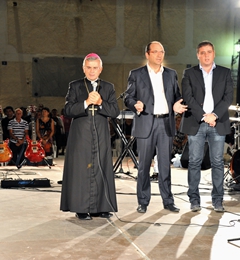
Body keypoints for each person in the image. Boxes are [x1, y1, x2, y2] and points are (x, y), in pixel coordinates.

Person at [124, 41, 187, 213]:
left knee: (165, 165)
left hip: (165, 123)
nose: (159, 55)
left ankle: (168, 201)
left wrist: (176, 105)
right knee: (144, 165)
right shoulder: (136, 74)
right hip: (145, 122)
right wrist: (134, 104)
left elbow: (177, 96)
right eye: (155, 52)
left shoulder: (171, 74)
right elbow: (128, 97)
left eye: (162, 52)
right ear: (147, 54)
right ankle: (143, 201)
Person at [60, 53, 120, 220]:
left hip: (100, 132)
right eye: (88, 67)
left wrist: (101, 103)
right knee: (81, 170)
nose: (92, 71)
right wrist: (86, 102)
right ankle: (81, 208)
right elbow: (68, 110)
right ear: (83, 68)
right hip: (80, 134)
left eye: (95, 68)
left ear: (100, 69)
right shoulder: (75, 86)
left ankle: (102, 207)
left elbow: (115, 111)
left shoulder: (108, 87)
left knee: (102, 167)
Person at [180, 40, 233, 212]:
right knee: (194, 161)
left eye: (209, 52)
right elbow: (188, 97)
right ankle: (194, 200)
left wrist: (214, 115)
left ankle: (218, 200)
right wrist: (204, 116)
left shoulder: (225, 73)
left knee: (218, 162)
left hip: (217, 122)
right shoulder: (189, 73)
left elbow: (228, 97)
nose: (206, 55)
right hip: (197, 122)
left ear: (214, 53)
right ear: (198, 55)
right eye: (202, 52)